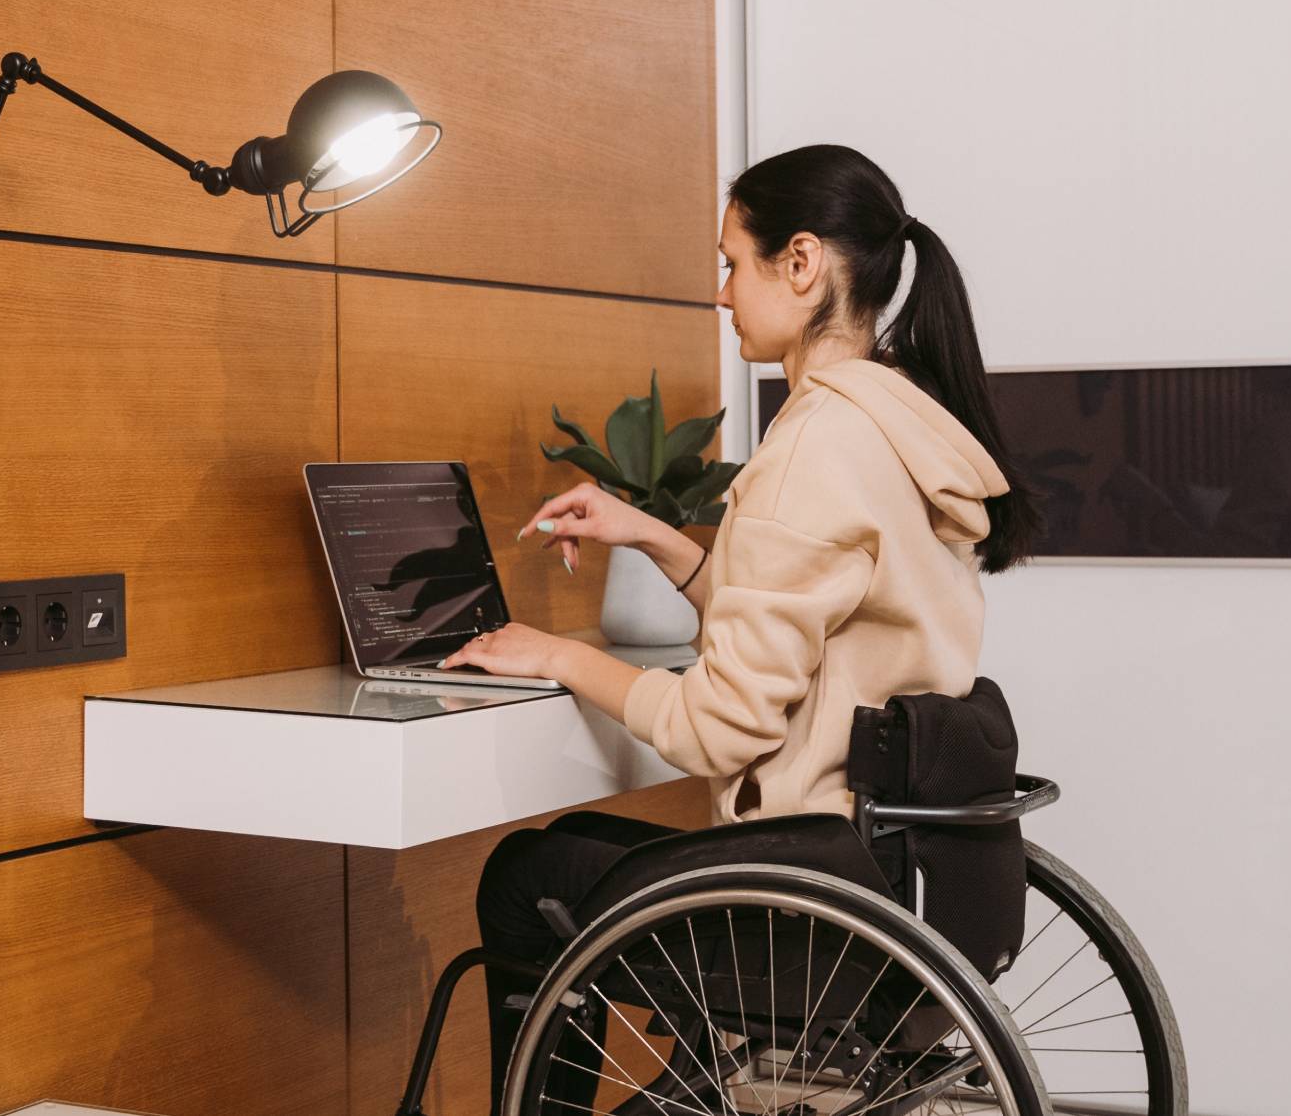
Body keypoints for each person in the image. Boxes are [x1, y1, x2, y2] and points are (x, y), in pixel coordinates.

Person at [435, 143, 1041, 1114]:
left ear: (799, 263)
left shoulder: (809, 449)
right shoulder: (897, 425)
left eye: (731, 262)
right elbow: (807, 617)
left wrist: (556, 654)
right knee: (577, 838)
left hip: (809, 903)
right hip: (904, 870)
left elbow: (722, 728)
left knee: (524, 873)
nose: (719, 293)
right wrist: (651, 535)